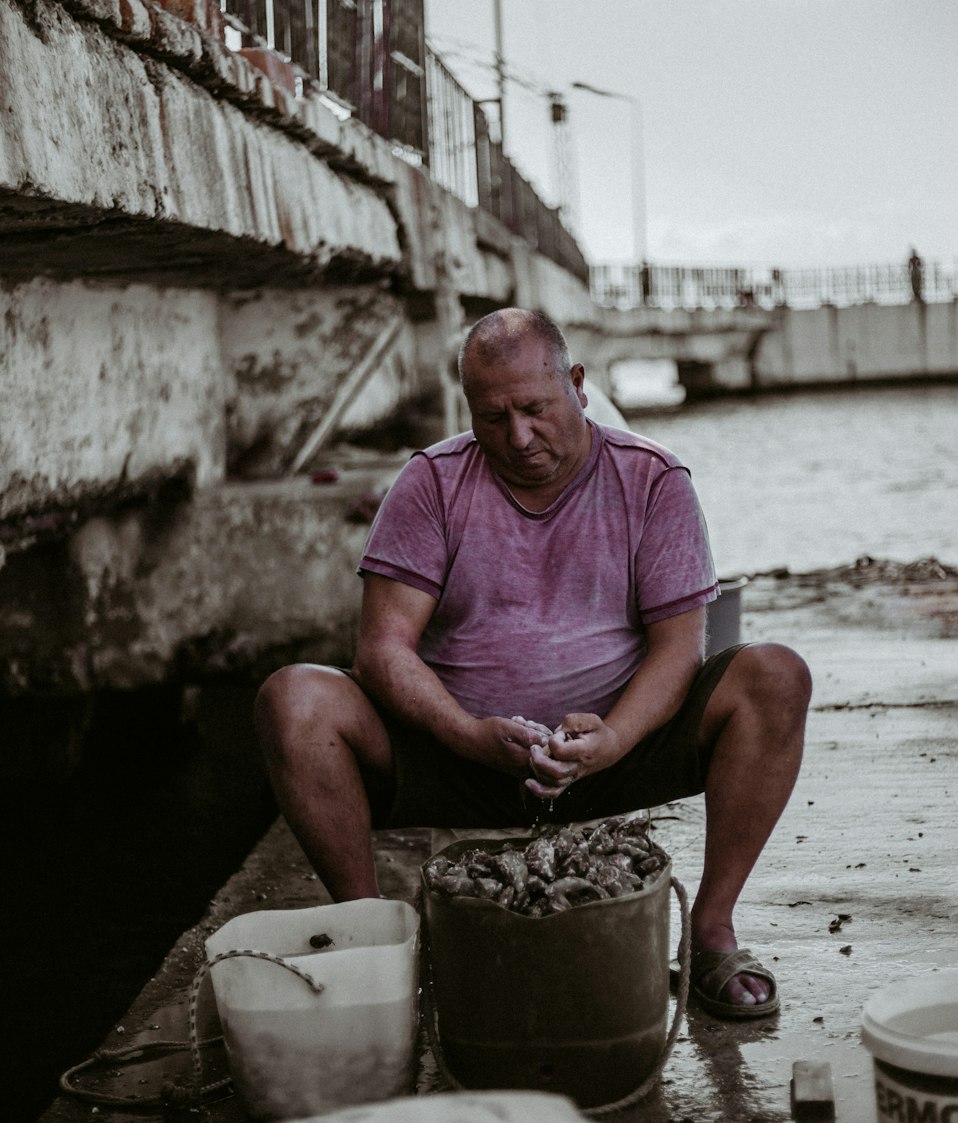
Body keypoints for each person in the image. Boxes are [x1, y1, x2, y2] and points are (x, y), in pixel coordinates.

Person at [255, 308, 812, 1020]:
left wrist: (612, 739)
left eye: (535, 409)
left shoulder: (654, 480)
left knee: (775, 675)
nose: (518, 437)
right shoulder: (430, 484)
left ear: (578, 385)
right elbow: (382, 648)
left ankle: (710, 935)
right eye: (493, 418)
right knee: (294, 699)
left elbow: (680, 649)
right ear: (469, 411)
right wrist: (466, 733)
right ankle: (378, 943)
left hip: (614, 753)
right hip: (461, 758)